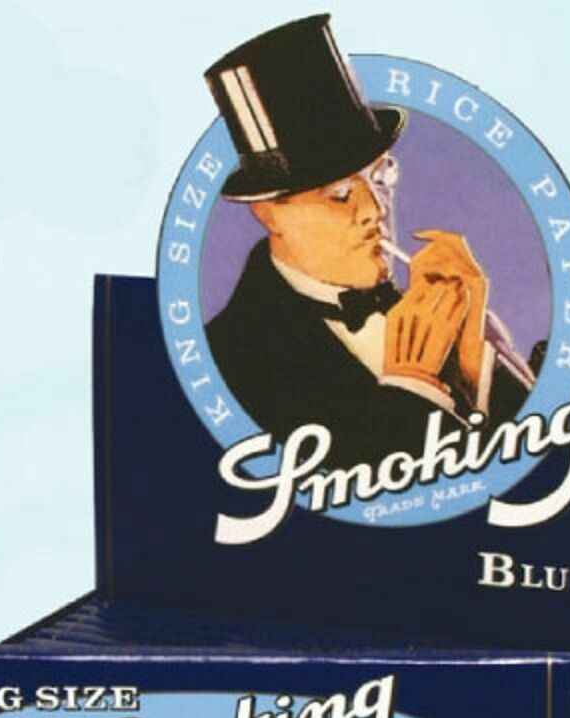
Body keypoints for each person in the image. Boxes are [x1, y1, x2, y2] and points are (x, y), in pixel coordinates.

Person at [204, 16, 536, 471]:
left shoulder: (428, 318)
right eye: (340, 193)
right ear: (268, 212)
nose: (375, 210)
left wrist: (476, 362)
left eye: (381, 175)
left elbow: (534, 464)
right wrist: (413, 386)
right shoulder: (227, 359)